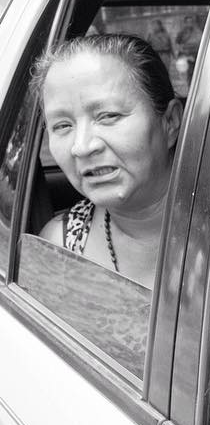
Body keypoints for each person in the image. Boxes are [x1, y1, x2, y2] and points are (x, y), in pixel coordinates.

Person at [33, 34, 183, 289]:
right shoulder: (61, 247)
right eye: (62, 125)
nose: (81, 147)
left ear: (170, 121)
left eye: (108, 116)